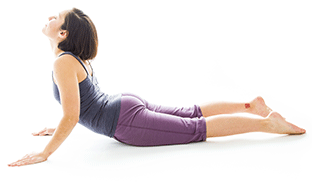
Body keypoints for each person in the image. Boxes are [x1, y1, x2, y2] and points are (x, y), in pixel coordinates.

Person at [8, 8, 306, 167]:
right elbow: (82, 106)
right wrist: (56, 126)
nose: (49, 17)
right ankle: (251, 106)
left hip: (123, 118)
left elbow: (74, 114)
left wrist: (44, 153)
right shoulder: (72, 59)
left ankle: (268, 124)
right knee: (191, 113)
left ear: (62, 33)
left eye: (55, 17)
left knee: (196, 128)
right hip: (124, 105)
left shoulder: (63, 62)